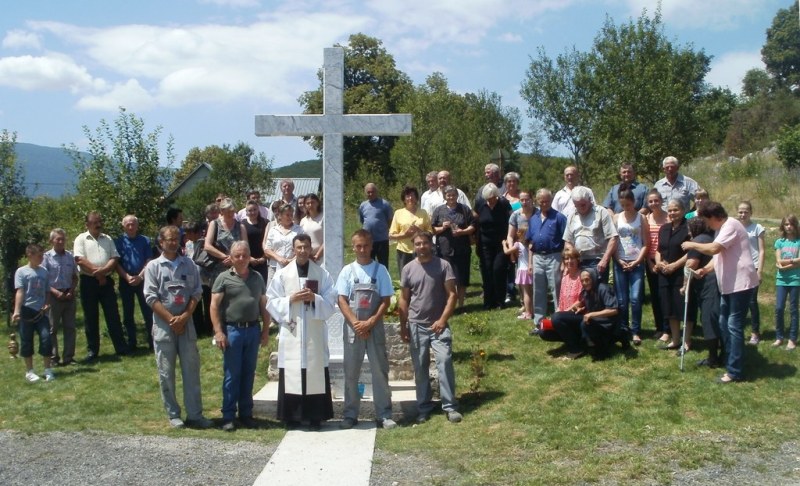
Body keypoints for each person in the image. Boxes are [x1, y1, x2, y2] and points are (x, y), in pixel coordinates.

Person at [144, 225, 213, 429]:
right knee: (166, 372)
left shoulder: (189, 264)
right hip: (164, 326)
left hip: (187, 324)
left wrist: (184, 317)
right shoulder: (153, 266)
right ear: (161, 242)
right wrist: (171, 319)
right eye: (169, 239)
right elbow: (150, 296)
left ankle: (195, 415)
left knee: (191, 370)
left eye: (176, 239)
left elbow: (197, 292)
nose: (173, 242)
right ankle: (173, 414)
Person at [682, 202, 759, 383]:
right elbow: (718, 257)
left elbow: (714, 248)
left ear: (714, 217)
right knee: (724, 322)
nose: (706, 224)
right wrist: (705, 270)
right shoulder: (721, 229)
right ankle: (730, 359)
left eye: (706, 220)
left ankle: (735, 371)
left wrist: (691, 244)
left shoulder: (731, 225)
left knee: (733, 325)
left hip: (741, 283)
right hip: (729, 285)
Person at [267, 234, 337, 430]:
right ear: (293, 249)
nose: (303, 251)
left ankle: (315, 417)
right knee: (292, 371)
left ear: (311, 249)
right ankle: (292, 416)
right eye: (299, 247)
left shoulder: (321, 274)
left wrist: (315, 297)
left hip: (313, 330)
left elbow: (331, 301)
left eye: (306, 247)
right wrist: (290, 299)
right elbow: (271, 301)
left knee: (314, 370)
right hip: (293, 331)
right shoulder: (283, 274)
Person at [399, 231, 462, 424]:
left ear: (431, 244)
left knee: (444, 362)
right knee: (420, 368)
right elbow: (404, 298)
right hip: (417, 324)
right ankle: (423, 408)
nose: (421, 247)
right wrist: (404, 326)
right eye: (417, 244)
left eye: (425, 243)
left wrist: (443, 319)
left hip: (438, 325)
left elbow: (452, 295)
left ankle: (450, 407)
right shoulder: (408, 268)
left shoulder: (443, 265)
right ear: (413, 246)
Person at [336, 230, 396, 430]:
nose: (362, 249)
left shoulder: (380, 270)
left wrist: (370, 322)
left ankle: (384, 414)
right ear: (353, 247)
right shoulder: (347, 271)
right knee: (351, 372)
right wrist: (356, 323)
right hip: (353, 329)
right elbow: (341, 300)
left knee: (380, 371)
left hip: (375, 327)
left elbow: (386, 300)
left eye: (365, 245)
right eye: (358, 246)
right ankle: (350, 414)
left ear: (371, 246)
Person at [210, 241, 271, 432]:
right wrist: (219, 332)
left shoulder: (257, 277)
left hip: (252, 330)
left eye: (245, 255)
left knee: (248, 374)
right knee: (232, 375)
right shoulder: (223, 278)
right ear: (231, 257)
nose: (242, 259)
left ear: (250, 256)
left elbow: (263, 304)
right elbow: (214, 306)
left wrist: (266, 329)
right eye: (237, 256)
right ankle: (228, 415)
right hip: (232, 331)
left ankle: (246, 414)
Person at [74, 211, 127, 361]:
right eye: (94, 222)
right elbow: (79, 259)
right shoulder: (81, 239)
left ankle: (121, 347)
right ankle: (93, 351)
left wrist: (103, 272)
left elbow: (114, 257)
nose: (98, 224)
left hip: (106, 282)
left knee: (113, 315)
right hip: (88, 282)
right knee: (91, 317)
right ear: (87, 225)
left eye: (99, 221)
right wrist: (98, 273)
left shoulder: (107, 238)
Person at [549, 268, 625, 360]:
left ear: (593, 278)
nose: (585, 283)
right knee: (555, 320)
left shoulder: (603, 288)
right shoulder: (586, 292)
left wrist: (591, 314)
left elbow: (614, 310)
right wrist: (579, 309)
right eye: (582, 281)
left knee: (583, 324)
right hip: (593, 321)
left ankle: (598, 349)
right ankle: (578, 345)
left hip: (607, 325)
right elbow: (586, 304)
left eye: (587, 279)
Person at [613, 187, 650, 346]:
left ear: (633, 202)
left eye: (628, 204)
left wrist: (637, 261)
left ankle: (635, 330)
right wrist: (618, 260)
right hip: (620, 261)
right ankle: (623, 328)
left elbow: (646, 243)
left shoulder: (641, 218)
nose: (625, 208)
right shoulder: (616, 218)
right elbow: (612, 242)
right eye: (622, 205)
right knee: (622, 300)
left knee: (635, 299)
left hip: (636, 263)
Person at [13, 244, 54, 382]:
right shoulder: (21, 272)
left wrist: (47, 304)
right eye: (39, 256)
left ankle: (48, 370)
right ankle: (29, 371)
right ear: (30, 255)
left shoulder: (44, 272)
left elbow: (48, 291)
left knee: (46, 338)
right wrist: (17, 311)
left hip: (41, 311)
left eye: (42, 255)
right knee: (26, 340)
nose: (42, 258)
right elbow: (20, 291)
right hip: (26, 310)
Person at [684, 218, 721, 369]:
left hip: (708, 285)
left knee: (708, 320)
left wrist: (684, 285)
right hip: (717, 283)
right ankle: (722, 354)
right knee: (716, 319)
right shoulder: (712, 239)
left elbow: (690, 265)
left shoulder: (698, 241)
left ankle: (713, 358)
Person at [526, 189, 567, 326]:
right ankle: (539, 322)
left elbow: (566, 241)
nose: (544, 204)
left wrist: (563, 261)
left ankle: (559, 319)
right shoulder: (533, 219)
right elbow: (530, 242)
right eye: (542, 201)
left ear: (551, 200)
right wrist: (530, 263)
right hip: (537, 257)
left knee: (556, 287)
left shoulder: (559, 218)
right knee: (538, 289)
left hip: (554, 256)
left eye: (547, 201)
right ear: (537, 201)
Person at [431, 185, 476, 308]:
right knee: (447, 279)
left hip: (462, 248)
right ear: (445, 196)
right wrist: (443, 227)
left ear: (457, 195)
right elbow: (432, 229)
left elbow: (473, 226)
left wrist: (462, 232)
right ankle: (449, 305)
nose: (451, 197)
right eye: (448, 195)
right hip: (444, 250)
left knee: (462, 278)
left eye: (453, 195)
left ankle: (461, 305)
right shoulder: (439, 210)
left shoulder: (465, 209)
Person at [562, 186, 618, 283]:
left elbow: (613, 238)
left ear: (590, 200)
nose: (580, 208)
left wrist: (605, 259)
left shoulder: (601, 212)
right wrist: (570, 261)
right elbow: (568, 241)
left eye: (583, 205)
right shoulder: (572, 216)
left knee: (599, 293)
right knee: (581, 294)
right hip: (579, 261)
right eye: (577, 205)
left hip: (597, 260)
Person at [115, 215, 154, 351]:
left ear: (137, 226)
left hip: (143, 279)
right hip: (125, 280)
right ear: (123, 226)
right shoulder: (118, 242)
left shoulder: (145, 240)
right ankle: (132, 343)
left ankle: (152, 341)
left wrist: (140, 276)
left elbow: (149, 260)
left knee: (148, 311)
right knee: (128, 313)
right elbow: (116, 263)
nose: (131, 227)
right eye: (128, 224)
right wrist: (127, 277)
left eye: (133, 224)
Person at [655, 199, 690, 350]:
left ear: (682, 211)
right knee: (669, 308)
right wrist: (659, 262)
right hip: (664, 274)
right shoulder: (664, 228)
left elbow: (692, 252)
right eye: (669, 210)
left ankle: (687, 341)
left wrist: (675, 265)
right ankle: (675, 340)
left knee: (683, 307)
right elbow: (658, 249)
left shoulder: (688, 228)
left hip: (680, 273)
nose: (672, 213)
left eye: (675, 210)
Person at [42, 228, 78, 366]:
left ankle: (69, 357)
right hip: (53, 296)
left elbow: (75, 277)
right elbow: (43, 279)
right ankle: (53, 358)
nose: (61, 241)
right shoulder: (46, 258)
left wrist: (72, 290)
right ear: (52, 241)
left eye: (63, 239)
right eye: (58, 239)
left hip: (69, 295)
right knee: (52, 329)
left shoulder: (70, 256)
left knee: (70, 327)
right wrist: (55, 292)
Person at [475, 183, 512, 309]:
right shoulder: (480, 204)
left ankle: (499, 301)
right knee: (487, 271)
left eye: (492, 198)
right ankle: (488, 301)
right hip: (485, 244)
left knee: (498, 270)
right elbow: (476, 220)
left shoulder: (503, 204)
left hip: (501, 244)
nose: (490, 200)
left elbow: (510, 221)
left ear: (496, 195)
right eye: (488, 198)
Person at [389, 185, 432, 279]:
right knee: (405, 277)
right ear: (404, 199)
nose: (410, 198)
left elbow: (430, 233)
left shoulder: (423, 213)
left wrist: (419, 231)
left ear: (416, 198)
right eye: (407, 196)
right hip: (403, 251)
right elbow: (391, 235)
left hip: (421, 249)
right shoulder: (398, 213)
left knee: (422, 276)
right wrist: (405, 234)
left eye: (413, 195)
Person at [738, 201, 766, 345]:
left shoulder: (757, 228)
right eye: (740, 212)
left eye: (746, 212)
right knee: (738, 302)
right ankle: (738, 331)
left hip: (753, 268)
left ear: (751, 213)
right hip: (738, 268)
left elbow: (761, 251)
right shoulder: (734, 227)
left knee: (751, 301)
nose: (743, 214)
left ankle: (755, 332)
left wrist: (759, 270)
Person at [771, 215, 800, 350]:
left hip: (795, 279)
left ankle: (792, 339)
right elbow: (778, 261)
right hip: (781, 280)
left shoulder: (798, 242)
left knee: (794, 309)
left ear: (795, 226)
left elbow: (798, 263)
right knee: (779, 308)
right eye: (786, 224)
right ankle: (779, 337)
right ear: (783, 226)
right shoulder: (779, 242)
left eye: (791, 224)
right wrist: (793, 261)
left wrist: (788, 263)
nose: (789, 227)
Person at [204, 198, 246, 285]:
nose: (231, 214)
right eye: (228, 211)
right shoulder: (214, 224)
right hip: (218, 269)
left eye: (232, 211)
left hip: (237, 268)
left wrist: (233, 259)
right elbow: (207, 246)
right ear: (222, 211)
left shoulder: (240, 226)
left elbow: (246, 247)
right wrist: (225, 257)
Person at [645, 189, 669, 341]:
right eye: (651, 201)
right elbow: (645, 242)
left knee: (665, 296)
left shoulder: (668, 217)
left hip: (667, 260)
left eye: (656, 200)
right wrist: (649, 261)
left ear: (661, 201)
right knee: (655, 295)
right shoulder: (646, 218)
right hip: (651, 261)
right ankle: (659, 327)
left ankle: (668, 327)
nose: (654, 203)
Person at [263, 204, 304, 289]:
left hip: (293, 267)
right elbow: (267, 249)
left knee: (291, 290)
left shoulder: (299, 230)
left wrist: (291, 260)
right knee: (273, 292)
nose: (290, 217)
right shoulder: (273, 230)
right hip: (274, 267)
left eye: (291, 215)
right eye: (287, 215)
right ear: (280, 216)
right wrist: (279, 258)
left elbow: (302, 247)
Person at [359, 183, 394, 269]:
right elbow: (362, 220)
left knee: (383, 264)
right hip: (368, 241)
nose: (370, 194)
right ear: (365, 193)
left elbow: (390, 220)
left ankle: (383, 280)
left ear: (376, 192)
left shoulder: (385, 204)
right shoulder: (363, 205)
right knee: (368, 263)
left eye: (372, 192)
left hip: (382, 240)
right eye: (368, 192)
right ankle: (370, 281)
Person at [503, 227, 532, 320]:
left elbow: (507, 252)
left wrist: (504, 244)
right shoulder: (529, 245)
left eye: (518, 232)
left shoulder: (518, 244)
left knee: (525, 293)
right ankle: (531, 310)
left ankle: (528, 313)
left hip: (523, 270)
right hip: (530, 269)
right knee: (530, 292)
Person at [242, 200, 269, 284]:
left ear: (258, 210)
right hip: (248, 261)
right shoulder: (243, 224)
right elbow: (244, 243)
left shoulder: (265, 222)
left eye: (255, 209)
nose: (253, 212)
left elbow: (268, 241)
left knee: (262, 287)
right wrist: (249, 258)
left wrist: (264, 257)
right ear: (246, 212)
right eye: (250, 210)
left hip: (263, 260)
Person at [300, 193, 324, 263]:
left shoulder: (323, 218)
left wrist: (317, 255)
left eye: (313, 202)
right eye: (308, 203)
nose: (310, 205)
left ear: (318, 203)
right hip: (307, 257)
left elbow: (328, 239)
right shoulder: (303, 221)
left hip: (322, 257)